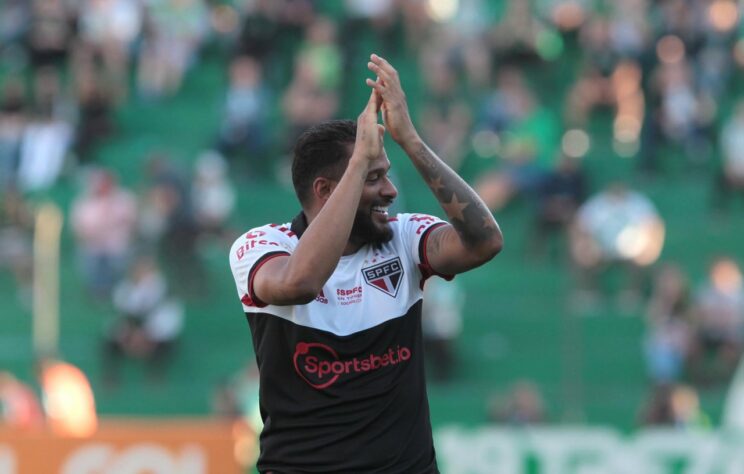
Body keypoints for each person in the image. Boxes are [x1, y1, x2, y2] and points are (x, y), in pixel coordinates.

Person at [229, 54, 503, 473]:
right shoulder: (262, 245)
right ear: (324, 190)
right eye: (373, 178)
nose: (391, 191)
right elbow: (298, 283)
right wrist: (358, 161)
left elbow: (486, 242)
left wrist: (410, 140)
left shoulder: (404, 238)